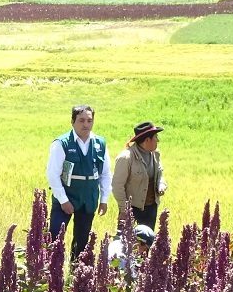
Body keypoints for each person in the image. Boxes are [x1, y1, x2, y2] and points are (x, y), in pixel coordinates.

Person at [46, 105, 112, 260]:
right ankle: (49, 269)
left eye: (89, 120)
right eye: (81, 120)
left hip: (88, 199)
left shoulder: (100, 144)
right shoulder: (62, 143)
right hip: (66, 197)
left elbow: (105, 174)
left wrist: (104, 199)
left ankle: (76, 271)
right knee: (54, 238)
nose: (86, 124)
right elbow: (52, 175)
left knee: (82, 241)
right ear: (72, 121)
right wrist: (64, 200)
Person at [112, 121, 166, 230]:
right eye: (156, 137)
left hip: (151, 208)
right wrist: (124, 210)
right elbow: (117, 186)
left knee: (147, 239)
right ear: (147, 140)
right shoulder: (126, 158)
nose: (158, 140)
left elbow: (159, 173)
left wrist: (161, 184)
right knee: (127, 239)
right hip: (132, 210)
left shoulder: (155, 154)